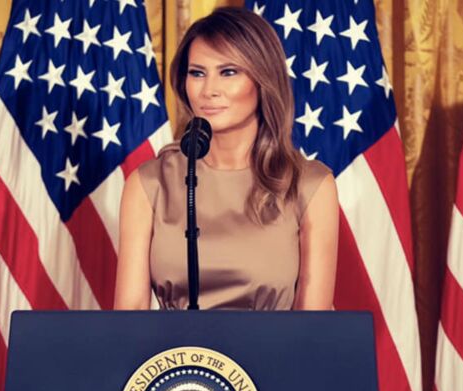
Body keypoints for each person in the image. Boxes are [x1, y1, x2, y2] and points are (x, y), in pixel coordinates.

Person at [114, 7, 338, 310]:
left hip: (275, 343)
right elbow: (129, 322)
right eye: (197, 73)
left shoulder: (310, 185)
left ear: (263, 79)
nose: (209, 90)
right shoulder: (149, 183)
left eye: (228, 72)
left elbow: (314, 327)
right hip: (173, 343)